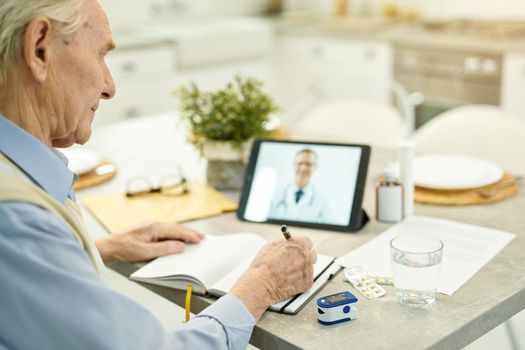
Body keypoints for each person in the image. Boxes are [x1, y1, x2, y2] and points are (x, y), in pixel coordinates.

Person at [0, 1, 317, 349]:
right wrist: (262, 283)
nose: (110, 86)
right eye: (100, 55)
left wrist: (92, 248)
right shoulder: (16, 221)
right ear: (39, 48)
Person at [268, 148, 330, 223]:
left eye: (308, 164)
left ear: (315, 167)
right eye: (300, 163)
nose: (303, 168)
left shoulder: (323, 199)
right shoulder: (275, 193)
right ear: (294, 165)